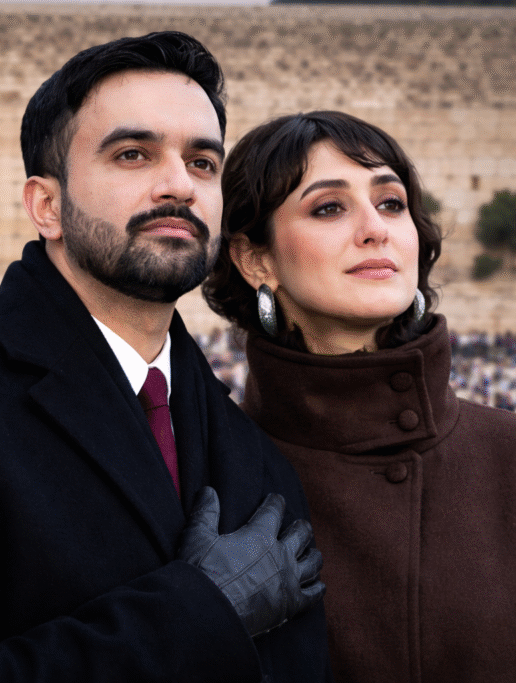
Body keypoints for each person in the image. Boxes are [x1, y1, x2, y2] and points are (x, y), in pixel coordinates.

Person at [0, 32, 330, 682]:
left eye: (203, 163)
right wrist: (201, 609)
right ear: (48, 205)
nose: (179, 183)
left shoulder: (251, 447)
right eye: (132, 154)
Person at [202, 110, 516, 682]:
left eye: (392, 203)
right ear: (255, 259)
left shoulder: (507, 456)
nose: (376, 228)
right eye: (329, 208)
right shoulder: (213, 479)